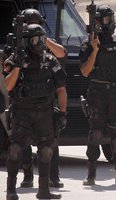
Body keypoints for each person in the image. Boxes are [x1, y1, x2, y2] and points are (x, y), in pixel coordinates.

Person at [3, 24, 66, 200]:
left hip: (45, 113)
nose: (39, 43)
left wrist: (62, 112)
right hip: (22, 113)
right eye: (36, 39)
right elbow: (8, 86)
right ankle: (11, 190)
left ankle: (44, 191)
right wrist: (17, 66)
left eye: (41, 38)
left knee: (46, 151)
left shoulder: (50, 60)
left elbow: (61, 88)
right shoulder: (15, 59)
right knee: (15, 150)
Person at [79, 4, 116, 185]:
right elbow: (85, 71)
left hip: (115, 95)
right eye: (104, 19)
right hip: (97, 93)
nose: (108, 23)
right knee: (95, 134)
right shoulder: (88, 44)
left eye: (109, 19)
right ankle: (91, 175)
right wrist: (95, 50)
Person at [18, 8, 67, 188]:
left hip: (45, 100)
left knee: (51, 141)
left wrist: (42, 39)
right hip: (24, 101)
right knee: (23, 142)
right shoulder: (18, 45)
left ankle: (54, 176)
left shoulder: (43, 43)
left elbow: (61, 53)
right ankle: (28, 176)